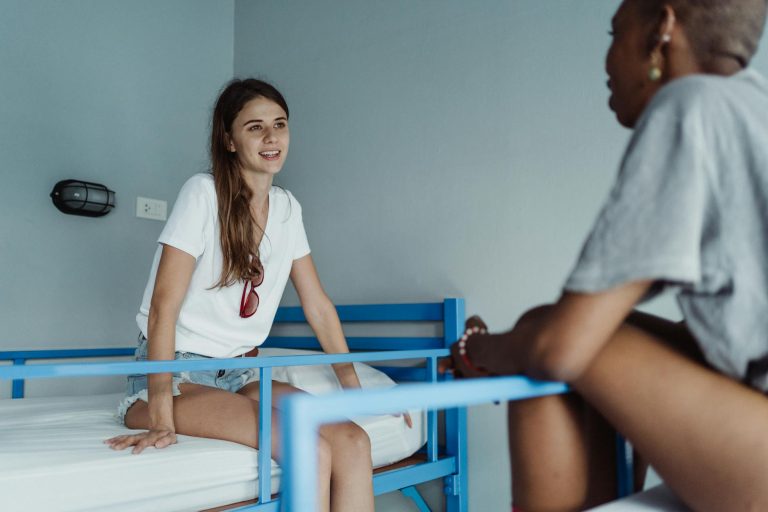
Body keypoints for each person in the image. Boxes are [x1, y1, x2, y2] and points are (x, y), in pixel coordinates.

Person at [444, 0, 768, 510]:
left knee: (547, 329)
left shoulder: (690, 105)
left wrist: (475, 351)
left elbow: (560, 350)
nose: (607, 62)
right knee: (586, 331)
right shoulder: (754, 105)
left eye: (615, 33)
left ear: (662, 27)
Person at [104, 78, 385, 512]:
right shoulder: (203, 193)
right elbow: (163, 308)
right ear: (229, 140)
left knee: (352, 439)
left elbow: (318, 306)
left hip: (241, 374)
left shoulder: (288, 209)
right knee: (309, 450)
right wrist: (161, 412)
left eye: (280, 124)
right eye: (255, 127)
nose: (272, 137)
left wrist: (354, 386)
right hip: (176, 374)